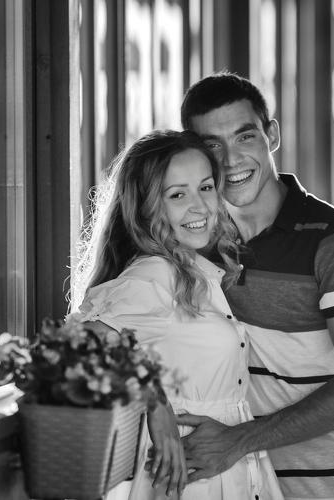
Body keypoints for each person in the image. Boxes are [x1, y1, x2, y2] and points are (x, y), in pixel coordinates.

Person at [177, 70, 334, 499]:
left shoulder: (333, 238)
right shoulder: (196, 240)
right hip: (242, 483)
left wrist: (239, 440)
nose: (231, 160)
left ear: (271, 135)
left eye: (245, 136)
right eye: (212, 145)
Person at [71, 129, 284, 499]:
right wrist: (157, 408)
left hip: (228, 469)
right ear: (147, 207)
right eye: (177, 194)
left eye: (205, 187)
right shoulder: (152, 275)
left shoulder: (195, 271)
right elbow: (78, 347)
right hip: (186, 478)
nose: (199, 206)